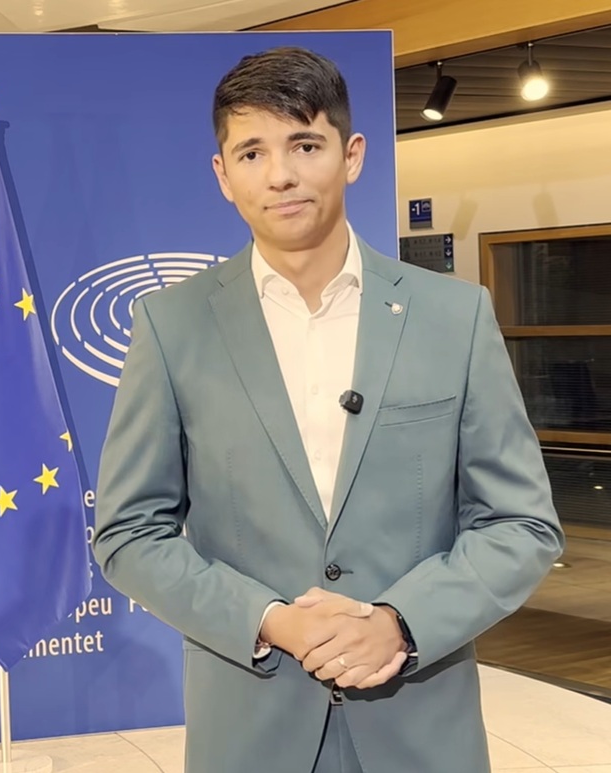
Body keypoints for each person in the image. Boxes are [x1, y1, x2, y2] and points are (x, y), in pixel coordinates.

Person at [91, 46, 564, 773]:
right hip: (251, 728)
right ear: (222, 175)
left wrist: (402, 622)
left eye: (305, 144)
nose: (279, 174)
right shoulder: (171, 326)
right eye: (251, 152)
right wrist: (269, 619)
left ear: (352, 155)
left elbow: (521, 524)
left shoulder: (455, 316)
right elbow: (128, 532)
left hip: (420, 726)